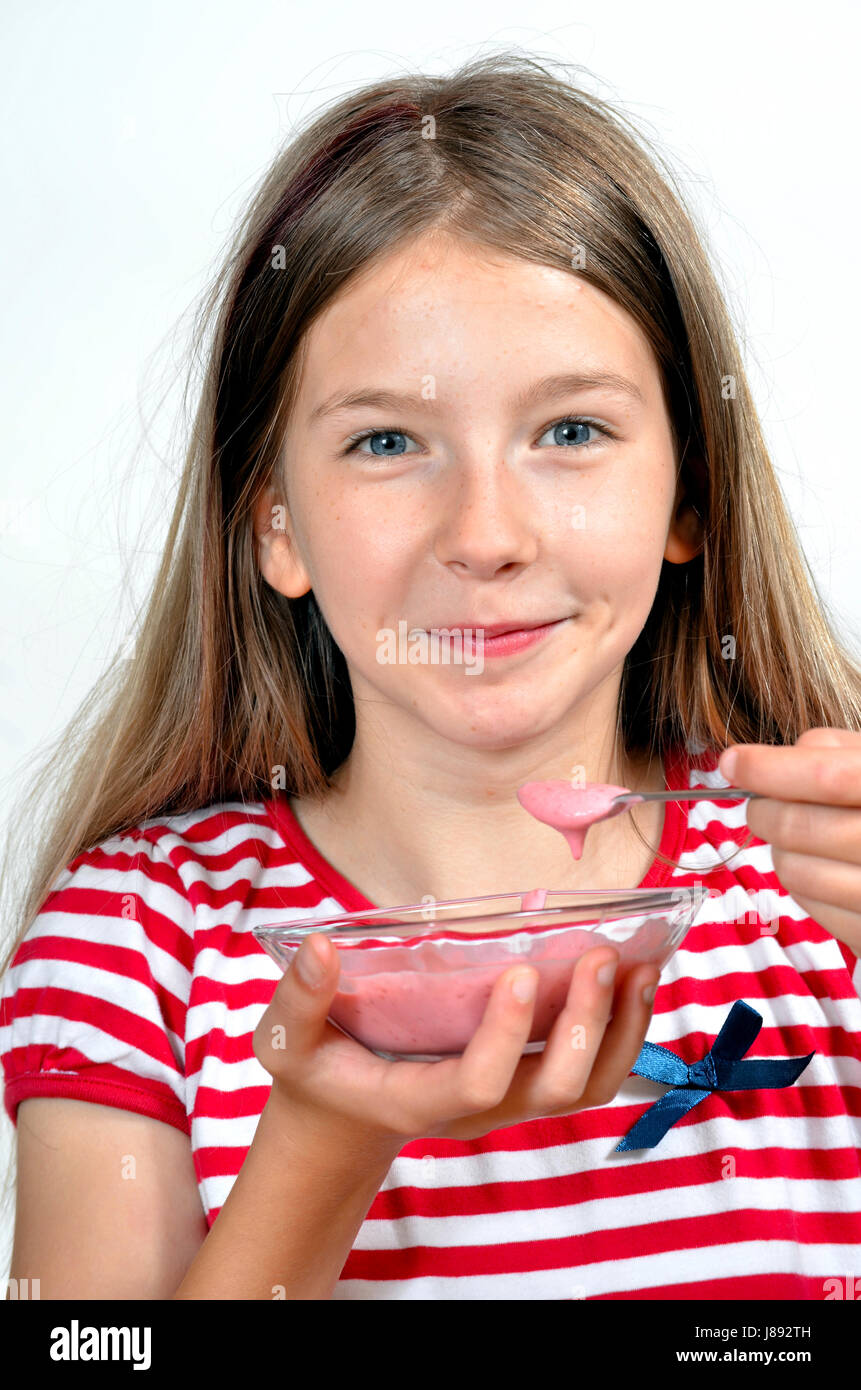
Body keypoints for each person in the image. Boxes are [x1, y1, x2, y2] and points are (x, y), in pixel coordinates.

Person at [2, 52, 860, 1301]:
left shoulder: (823, 908)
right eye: (388, 441)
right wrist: (323, 1147)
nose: (486, 531)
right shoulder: (136, 948)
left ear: (690, 492)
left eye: (571, 431)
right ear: (275, 526)